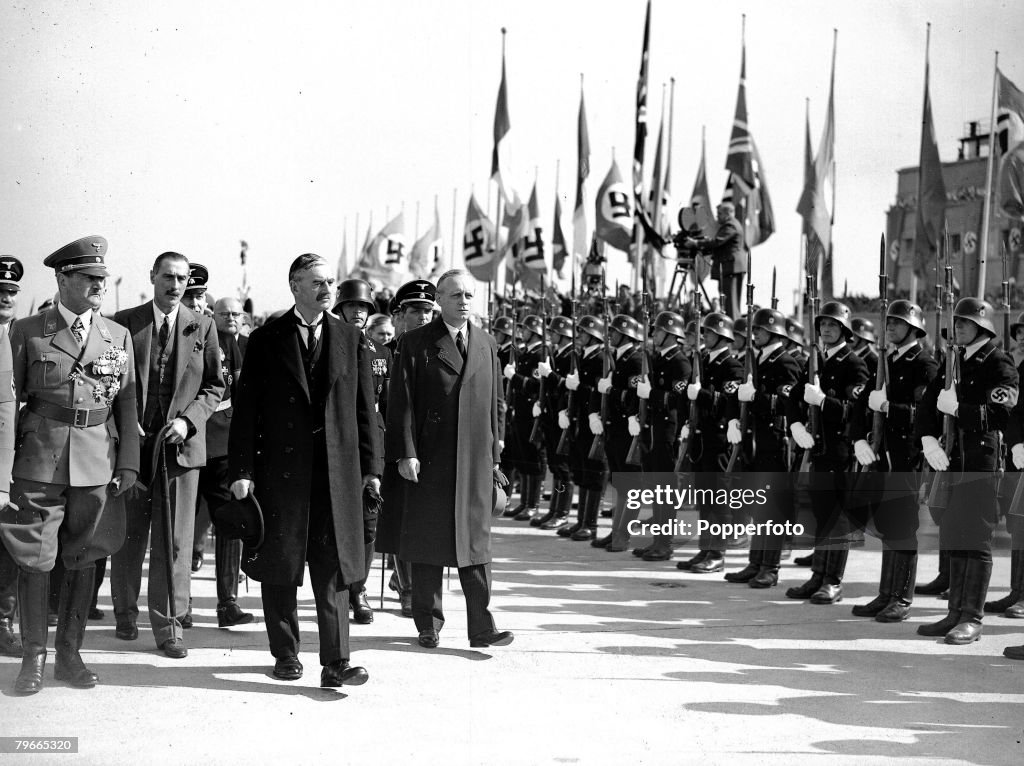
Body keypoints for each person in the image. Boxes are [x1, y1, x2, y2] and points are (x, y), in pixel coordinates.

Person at [229, 254, 380, 686]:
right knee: (281, 564)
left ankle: (336, 662)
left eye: (330, 281)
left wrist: (371, 468)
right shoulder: (266, 339)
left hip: (336, 476)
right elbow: (246, 410)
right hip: (281, 474)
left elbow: (365, 410)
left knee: (333, 568)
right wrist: (242, 470)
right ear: (295, 286)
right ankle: (286, 654)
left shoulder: (351, 337)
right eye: (317, 282)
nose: (327, 289)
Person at [0, 236, 139, 693]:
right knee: (35, 559)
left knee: (85, 555)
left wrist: (129, 464)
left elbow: (127, 404)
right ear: (63, 279)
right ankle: (33, 660)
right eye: (89, 277)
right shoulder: (27, 331)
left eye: (102, 277)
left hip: (96, 463)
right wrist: (2, 472)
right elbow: (7, 403)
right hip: (39, 462)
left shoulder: (117, 335)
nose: (100, 285)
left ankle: (70, 656)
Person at [386, 269, 513, 650]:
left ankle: (482, 627)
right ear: (439, 300)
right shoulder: (416, 342)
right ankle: (428, 623)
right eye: (456, 295)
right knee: (429, 542)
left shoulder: (486, 343)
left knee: (476, 544)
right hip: (431, 457)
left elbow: (496, 403)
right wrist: (406, 452)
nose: (464, 301)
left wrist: (495, 455)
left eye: (469, 295)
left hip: (475, 459)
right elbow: (402, 402)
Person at [110, 251, 224, 658]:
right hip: (134, 449)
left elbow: (214, 387)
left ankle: (170, 626)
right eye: (167, 277)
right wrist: (125, 424)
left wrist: (189, 422)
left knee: (175, 541)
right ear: (152, 277)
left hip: (180, 451)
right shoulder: (125, 322)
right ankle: (125, 612)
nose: (175, 286)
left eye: (181, 278)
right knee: (129, 536)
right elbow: (108, 383)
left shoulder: (203, 325)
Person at [916, 298, 1018, 645]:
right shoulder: (953, 360)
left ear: (983, 326)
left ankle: (972, 617)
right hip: (952, 461)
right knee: (954, 535)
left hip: (981, 462)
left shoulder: (998, 362)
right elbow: (927, 406)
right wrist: (928, 440)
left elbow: (1004, 413)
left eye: (965, 321)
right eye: (956, 321)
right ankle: (954, 612)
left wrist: (961, 409)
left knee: (976, 539)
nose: (958, 326)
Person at [847, 300, 937, 622]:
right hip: (882, 456)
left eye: (897, 323)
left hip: (905, 457)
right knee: (887, 526)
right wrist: (858, 438)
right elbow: (862, 404)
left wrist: (888, 408)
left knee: (903, 527)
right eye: (889, 323)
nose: (890, 328)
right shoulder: (886, 361)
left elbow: (924, 414)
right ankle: (886, 593)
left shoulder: (923, 364)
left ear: (914, 328)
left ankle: (901, 597)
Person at [180, 266, 254, 629]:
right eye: (190, 297)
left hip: (223, 444)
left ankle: (228, 603)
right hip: (187, 441)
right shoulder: (180, 336)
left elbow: (241, 394)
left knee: (230, 522)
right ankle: (181, 604)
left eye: (200, 297)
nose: (196, 304)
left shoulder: (232, 343)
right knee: (183, 526)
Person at [784, 301, 869, 604]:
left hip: (841, 450)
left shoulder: (854, 364)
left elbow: (856, 411)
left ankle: (833, 581)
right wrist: (795, 424)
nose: (826, 329)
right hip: (818, 449)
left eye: (833, 324)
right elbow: (793, 397)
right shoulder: (816, 360)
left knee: (838, 518)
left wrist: (822, 402)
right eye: (823, 324)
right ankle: (818, 575)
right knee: (822, 514)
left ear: (844, 329)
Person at [724, 307, 800, 586]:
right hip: (754, 442)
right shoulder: (755, 359)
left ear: (774, 332)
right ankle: (755, 562)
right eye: (754, 329)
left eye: (759, 330)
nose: (754, 333)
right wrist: (734, 419)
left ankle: (770, 566)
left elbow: (789, 403)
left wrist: (755, 397)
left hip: (773, 443)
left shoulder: (786, 362)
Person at [377, 279, 437, 618]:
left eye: (428, 311)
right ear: (398, 314)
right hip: (394, 444)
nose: (424, 317)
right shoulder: (384, 352)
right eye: (416, 311)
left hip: (430, 446)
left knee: (425, 520)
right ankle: (408, 588)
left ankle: (411, 581)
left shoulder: (439, 348)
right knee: (401, 519)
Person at [333, 278, 391, 625]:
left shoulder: (380, 352)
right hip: (337, 442)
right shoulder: (327, 344)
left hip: (371, 444)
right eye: (352, 306)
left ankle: (359, 589)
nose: (357, 312)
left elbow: (386, 405)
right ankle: (340, 587)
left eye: (363, 307)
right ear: (340, 309)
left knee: (369, 521)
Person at [0, 255, 23, 657]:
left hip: (17, 456)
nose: (5, 298)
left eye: (10, 292)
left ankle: (4, 622)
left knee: (9, 544)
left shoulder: (25, 334)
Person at [685, 203, 744, 319]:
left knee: (730, 304)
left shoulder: (730, 225)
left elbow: (717, 242)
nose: (717, 217)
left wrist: (696, 243)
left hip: (731, 269)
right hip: (730, 268)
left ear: (728, 214)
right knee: (728, 302)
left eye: (720, 214)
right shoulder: (732, 225)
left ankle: (732, 326)